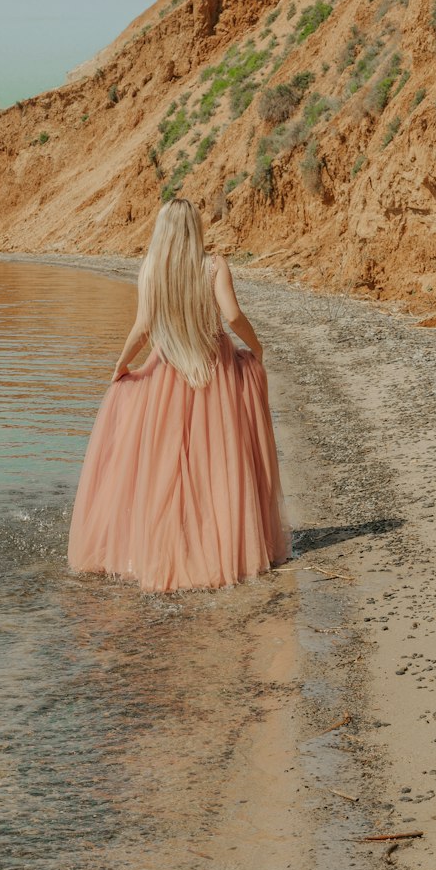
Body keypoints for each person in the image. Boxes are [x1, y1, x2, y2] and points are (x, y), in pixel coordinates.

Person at [68, 197, 290, 593]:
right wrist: (256, 350)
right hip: (214, 374)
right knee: (216, 466)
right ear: (196, 230)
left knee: (166, 471)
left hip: (167, 373)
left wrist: (120, 367)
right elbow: (233, 316)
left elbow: (142, 327)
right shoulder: (213, 266)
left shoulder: (153, 270)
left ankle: (159, 551)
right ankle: (221, 546)